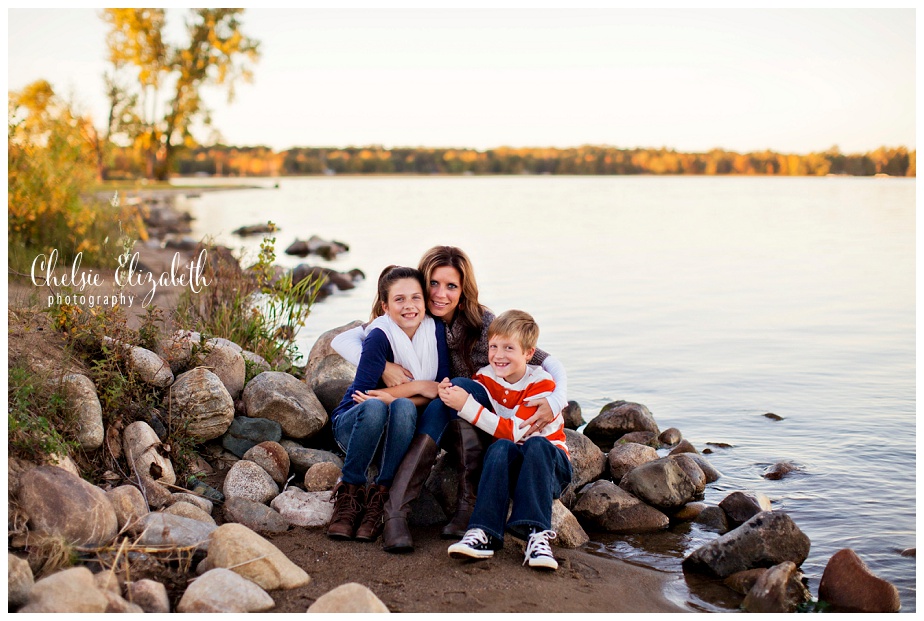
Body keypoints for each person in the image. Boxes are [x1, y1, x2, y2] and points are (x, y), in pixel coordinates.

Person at [331, 246, 568, 552]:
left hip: (478, 414)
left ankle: (458, 508)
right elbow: (346, 338)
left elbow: (545, 361)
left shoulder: (483, 325)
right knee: (445, 393)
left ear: (463, 290)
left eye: (451, 286)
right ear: (422, 283)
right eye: (434, 284)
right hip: (437, 413)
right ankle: (395, 512)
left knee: (454, 386)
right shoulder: (414, 311)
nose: (440, 294)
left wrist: (557, 398)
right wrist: (384, 366)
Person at [441, 310, 571, 571]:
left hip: (549, 467)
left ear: (528, 353)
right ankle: (484, 533)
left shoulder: (542, 383)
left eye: (508, 348)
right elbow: (504, 438)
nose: (499, 355)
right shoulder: (486, 377)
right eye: (493, 347)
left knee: (534, 444)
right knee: (499, 447)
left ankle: (536, 535)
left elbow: (514, 431)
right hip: (515, 470)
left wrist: (465, 405)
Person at [327, 266, 449, 542]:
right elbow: (364, 396)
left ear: (425, 301)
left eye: (416, 298)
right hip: (356, 427)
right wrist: (420, 388)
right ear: (385, 306)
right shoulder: (379, 335)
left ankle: (380, 496)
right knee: (376, 407)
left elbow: (439, 390)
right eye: (399, 299)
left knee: (403, 407)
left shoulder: (435, 330)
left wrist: (403, 392)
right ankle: (350, 491)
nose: (409, 306)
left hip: (398, 430)